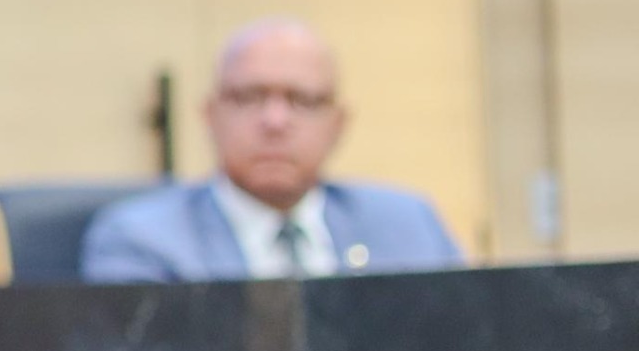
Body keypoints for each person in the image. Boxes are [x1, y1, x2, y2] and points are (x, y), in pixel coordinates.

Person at [79, 18, 464, 280]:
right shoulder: (142, 240)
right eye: (249, 97)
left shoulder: (410, 226)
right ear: (210, 116)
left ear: (338, 124)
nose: (275, 121)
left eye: (302, 100)